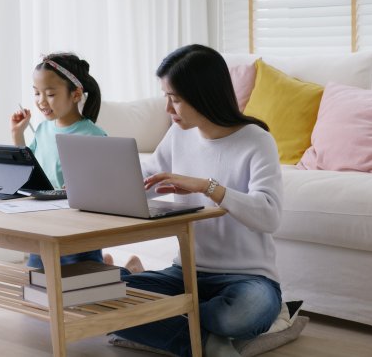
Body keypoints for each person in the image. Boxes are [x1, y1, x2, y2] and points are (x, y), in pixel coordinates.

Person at [112, 44, 284, 357]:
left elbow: (269, 216)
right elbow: (147, 181)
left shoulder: (257, 141)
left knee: (237, 316)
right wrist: (100, 183)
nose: (168, 108)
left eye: (175, 98)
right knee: (105, 300)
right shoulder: (179, 135)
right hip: (185, 273)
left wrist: (208, 187)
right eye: (166, 97)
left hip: (248, 279)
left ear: (204, 95)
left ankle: (167, 315)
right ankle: (205, 343)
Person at [10, 52, 107, 269]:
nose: (41, 101)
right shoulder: (43, 129)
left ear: (76, 94)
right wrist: (17, 135)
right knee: (38, 281)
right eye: (36, 93)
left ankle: (127, 267)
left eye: (50, 94)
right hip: (44, 224)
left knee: (82, 284)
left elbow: (104, 185)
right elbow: (27, 170)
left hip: (78, 229)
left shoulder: (93, 136)